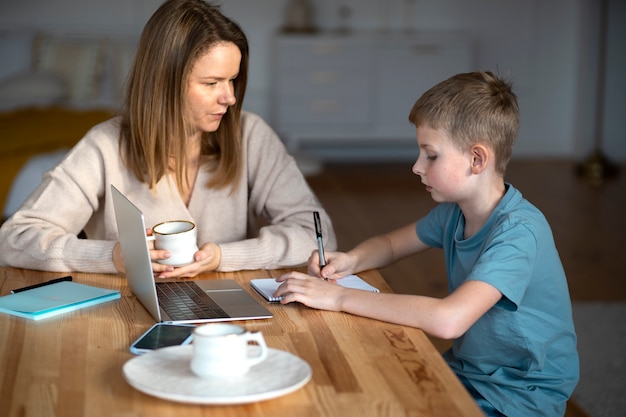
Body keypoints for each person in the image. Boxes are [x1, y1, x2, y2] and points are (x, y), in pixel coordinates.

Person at [275, 71, 579, 416]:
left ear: (477, 160)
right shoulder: (455, 214)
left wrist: (340, 296)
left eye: (431, 155)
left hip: (521, 394)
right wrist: (351, 260)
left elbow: (448, 320)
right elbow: (390, 245)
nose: (417, 166)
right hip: (470, 374)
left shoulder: (519, 234)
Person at [0, 0, 336, 277]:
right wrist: (113, 257)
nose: (230, 97)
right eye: (211, 83)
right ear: (165, 83)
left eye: (233, 80)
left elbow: (318, 236)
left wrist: (223, 257)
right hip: (120, 315)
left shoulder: (251, 135)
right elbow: (15, 239)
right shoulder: (105, 145)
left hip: (228, 317)